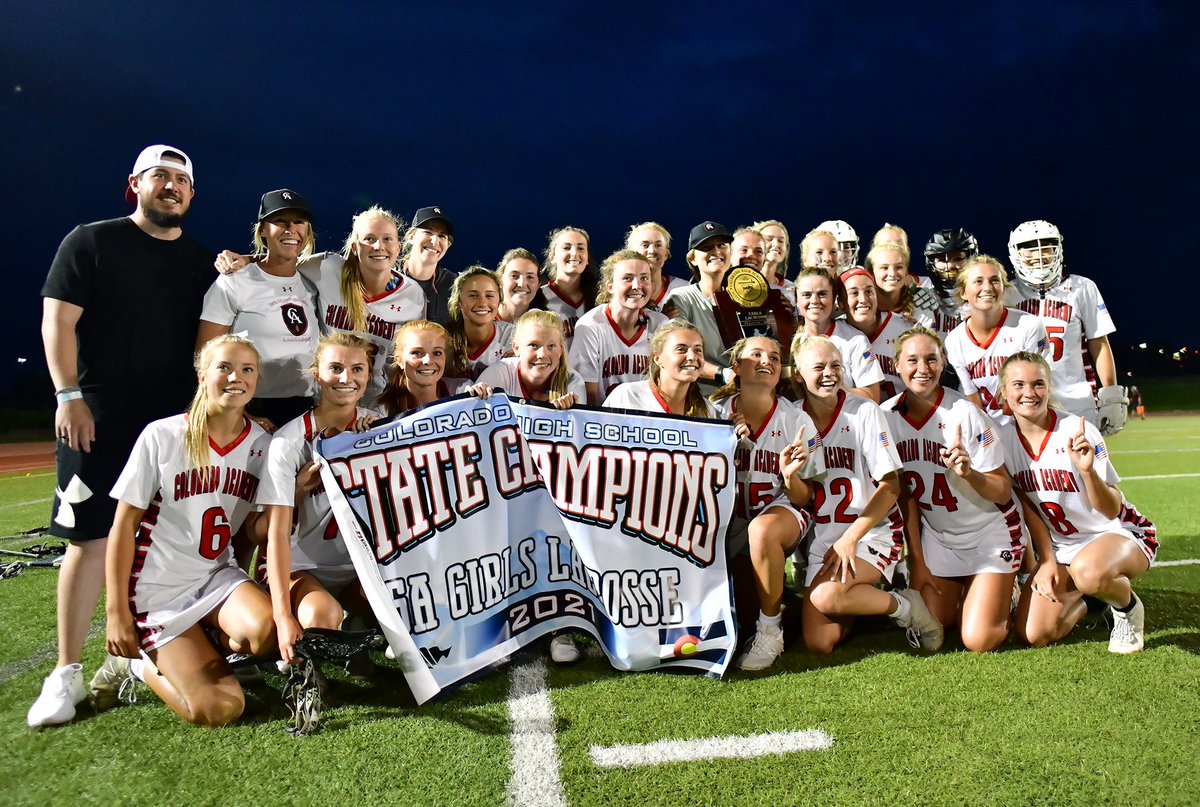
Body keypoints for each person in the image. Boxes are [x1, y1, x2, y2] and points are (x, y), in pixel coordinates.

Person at [31, 144, 214, 728]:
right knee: (87, 541)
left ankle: (148, 652)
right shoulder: (91, 241)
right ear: (133, 183)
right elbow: (57, 320)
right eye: (159, 176)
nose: (171, 187)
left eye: (181, 181)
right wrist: (68, 395)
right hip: (99, 416)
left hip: (170, 422)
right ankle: (63, 673)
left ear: (192, 195)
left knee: (168, 540)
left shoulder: (199, 261)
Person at [91, 334, 275, 726]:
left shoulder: (262, 443)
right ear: (202, 374)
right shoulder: (163, 435)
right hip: (159, 590)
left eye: (247, 369)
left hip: (215, 578)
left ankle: (203, 645)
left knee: (269, 629)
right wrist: (116, 612)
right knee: (220, 710)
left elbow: (245, 529)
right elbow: (123, 526)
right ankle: (136, 665)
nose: (235, 378)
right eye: (224, 367)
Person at [754, 336, 941, 658]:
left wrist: (852, 537)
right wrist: (789, 476)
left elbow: (892, 486)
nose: (829, 373)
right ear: (798, 374)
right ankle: (860, 599)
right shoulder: (792, 417)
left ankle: (907, 607)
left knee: (827, 598)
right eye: (819, 367)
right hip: (824, 538)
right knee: (818, 642)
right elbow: (802, 498)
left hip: (873, 531)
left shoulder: (864, 411)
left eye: (836, 366)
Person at [998, 352, 1157, 653]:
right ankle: (1093, 600)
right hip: (1063, 547)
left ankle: (1127, 608)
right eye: (1018, 384)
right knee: (1035, 633)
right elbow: (1030, 507)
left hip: (1117, 533)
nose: (1029, 393)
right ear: (1003, 391)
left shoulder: (1075, 430)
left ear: (1049, 388)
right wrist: (1046, 560)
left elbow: (1111, 509)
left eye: (1038, 384)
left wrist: (1087, 473)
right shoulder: (1003, 440)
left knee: (1089, 572)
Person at [882, 326, 1024, 653]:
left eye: (931, 359)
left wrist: (969, 473)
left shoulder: (965, 413)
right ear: (897, 366)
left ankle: (1007, 589)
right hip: (940, 537)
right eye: (913, 360)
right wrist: (916, 560)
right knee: (934, 621)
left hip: (989, 531)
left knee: (979, 639)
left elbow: (1003, 492)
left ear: (943, 361)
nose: (923, 369)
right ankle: (975, 591)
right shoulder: (886, 416)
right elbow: (906, 497)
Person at [215, 206, 426, 406]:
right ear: (354, 248)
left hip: (378, 404)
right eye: (369, 239)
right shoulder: (327, 268)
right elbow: (281, 260)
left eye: (387, 239)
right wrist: (246, 259)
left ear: (398, 247)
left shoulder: (412, 294)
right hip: (324, 400)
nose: (379, 246)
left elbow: (411, 358)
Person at [258, 333, 378, 666]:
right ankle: (291, 642)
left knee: (406, 598)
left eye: (357, 369)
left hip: (358, 567)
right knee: (321, 617)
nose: (346, 378)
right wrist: (282, 618)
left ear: (368, 376)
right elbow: (276, 535)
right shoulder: (288, 442)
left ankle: (359, 625)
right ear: (316, 374)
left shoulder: (377, 428)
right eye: (335, 368)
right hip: (300, 565)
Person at [708, 336, 822, 664]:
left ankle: (771, 633)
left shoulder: (795, 420)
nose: (766, 361)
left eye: (774, 356)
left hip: (779, 512)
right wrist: (722, 443)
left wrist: (789, 476)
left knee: (762, 530)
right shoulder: (712, 413)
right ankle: (788, 610)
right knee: (740, 622)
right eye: (756, 354)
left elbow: (804, 497)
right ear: (735, 367)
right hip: (729, 525)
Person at [198, 189, 321, 427]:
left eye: (298, 222)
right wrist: (244, 417)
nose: (290, 229)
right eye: (279, 221)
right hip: (248, 405)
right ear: (263, 230)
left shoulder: (311, 279)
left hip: (304, 406)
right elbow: (205, 355)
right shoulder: (234, 280)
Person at [1005, 220, 1127, 434]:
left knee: (1084, 466)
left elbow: (1099, 343)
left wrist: (1110, 393)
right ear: (1016, 254)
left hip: (1076, 403)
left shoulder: (1082, 288)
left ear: (1058, 250)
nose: (1039, 255)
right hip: (1023, 404)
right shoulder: (1005, 294)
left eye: (1046, 247)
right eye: (1030, 249)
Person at [943, 256, 1051, 425]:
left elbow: (1038, 386)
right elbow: (971, 398)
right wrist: (988, 437)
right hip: (987, 429)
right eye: (978, 281)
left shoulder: (1028, 326)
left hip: (1030, 423)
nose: (987, 288)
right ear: (963, 292)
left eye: (994, 280)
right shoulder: (954, 340)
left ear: (1003, 287)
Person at [569, 250, 667, 405]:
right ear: (610, 287)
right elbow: (589, 396)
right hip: (605, 422)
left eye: (644, 278)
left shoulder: (661, 325)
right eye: (627, 278)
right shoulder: (590, 326)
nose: (637, 286)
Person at [661, 221, 738, 392]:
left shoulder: (745, 297)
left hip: (743, 398)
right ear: (693, 259)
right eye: (707, 247)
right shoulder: (681, 298)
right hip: (701, 400)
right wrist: (723, 374)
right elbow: (678, 355)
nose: (716, 251)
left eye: (722, 245)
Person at [793, 268, 883, 400]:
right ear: (797, 300)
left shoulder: (856, 340)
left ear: (834, 299)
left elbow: (873, 396)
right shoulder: (790, 339)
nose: (814, 300)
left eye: (822, 294)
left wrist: (830, 388)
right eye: (807, 294)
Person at [604, 319, 717, 418]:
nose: (692, 357)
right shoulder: (627, 397)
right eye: (681, 349)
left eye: (698, 350)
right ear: (657, 358)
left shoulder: (706, 411)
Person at [478, 310, 585, 409]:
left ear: (561, 350)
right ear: (516, 348)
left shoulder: (573, 382)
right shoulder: (499, 374)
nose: (542, 354)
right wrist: (474, 396)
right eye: (533, 345)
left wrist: (569, 414)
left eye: (551, 346)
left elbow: (579, 427)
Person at [838, 266, 917, 401]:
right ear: (841, 303)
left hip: (904, 416)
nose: (863, 299)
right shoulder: (836, 335)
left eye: (869, 291)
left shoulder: (906, 329)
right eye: (854, 293)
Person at [377, 321, 475, 417]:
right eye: (416, 353)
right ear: (399, 360)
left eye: (437, 353)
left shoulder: (463, 391)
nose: (428, 361)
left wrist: (484, 398)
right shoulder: (382, 412)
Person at [446, 267, 515, 380]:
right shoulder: (445, 341)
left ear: (499, 300)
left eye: (489, 296)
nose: (482, 303)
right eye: (473, 295)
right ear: (459, 301)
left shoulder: (513, 336)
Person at [542, 226, 599, 344]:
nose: (574, 253)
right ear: (552, 257)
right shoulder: (539, 298)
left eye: (581, 248)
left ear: (587, 258)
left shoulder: (599, 298)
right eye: (567, 248)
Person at [401, 206, 457, 325]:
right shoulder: (388, 276)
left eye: (442, 236)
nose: (434, 241)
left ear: (448, 244)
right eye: (428, 232)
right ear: (411, 237)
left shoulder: (454, 286)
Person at [922, 228, 978, 335]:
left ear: (972, 258)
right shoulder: (921, 297)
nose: (949, 266)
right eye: (942, 260)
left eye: (957, 259)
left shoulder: (985, 294)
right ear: (931, 263)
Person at [625, 222, 687, 310]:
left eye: (658, 245)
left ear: (666, 254)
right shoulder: (621, 291)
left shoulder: (683, 289)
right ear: (630, 253)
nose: (652, 251)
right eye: (645, 245)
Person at [495, 247, 548, 323]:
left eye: (530, 277)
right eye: (514, 276)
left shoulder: (546, 324)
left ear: (538, 284)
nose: (522, 283)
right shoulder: (482, 318)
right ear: (500, 281)